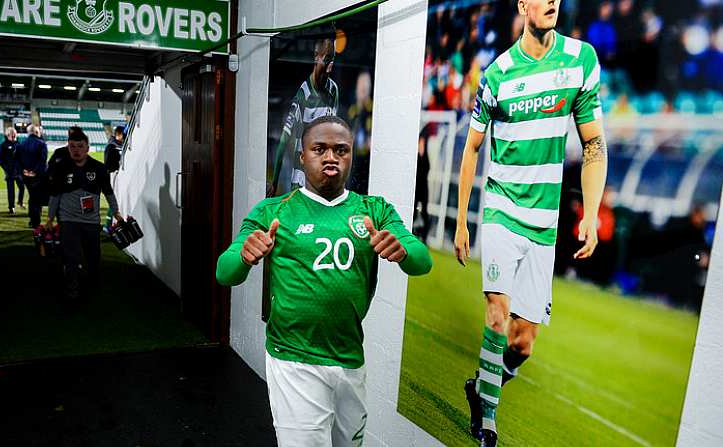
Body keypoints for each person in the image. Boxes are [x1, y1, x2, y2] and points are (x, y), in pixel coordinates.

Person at [217, 116, 432, 446]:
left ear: (350, 157)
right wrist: (244, 256)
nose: (330, 157)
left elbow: (422, 262)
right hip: (294, 359)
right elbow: (224, 272)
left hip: (349, 357)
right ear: (302, 157)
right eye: (319, 149)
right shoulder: (273, 211)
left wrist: (403, 250)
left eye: (340, 150)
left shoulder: (374, 210)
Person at [453, 1, 608, 446]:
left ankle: (481, 387)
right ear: (523, 5)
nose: (552, 2)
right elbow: (471, 150)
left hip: (544, 223)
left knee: (522, 344)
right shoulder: (498, 74)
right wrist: (462, 221)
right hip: (502, 210)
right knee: (498, 317)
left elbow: (594, 145)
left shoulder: (580, 60)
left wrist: (592, 213)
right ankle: (487, 423)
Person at [46, 128, 123, 304]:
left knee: (93, 256)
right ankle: (72, 290)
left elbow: (108, 192)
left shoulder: (99, 168)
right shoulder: (61, 167)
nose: (76, 150)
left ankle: (92, 285)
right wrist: (50, 218)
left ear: (88, 148)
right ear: (68, 147)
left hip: (91, 222)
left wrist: (116, 212)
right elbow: (55, 196)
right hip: (68, 221)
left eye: (80, 146)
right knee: (71, 257)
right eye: (72, 146)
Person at [269, 37, 339, 197]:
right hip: (302, 180)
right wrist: (275, 181)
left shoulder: (333, 90)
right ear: (316, 57)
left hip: (325, 180)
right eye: (327, 59)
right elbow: (284, 138)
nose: (329, 68)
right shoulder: (303, 95)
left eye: (332, 60)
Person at [17, 124, 49, 228]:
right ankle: (35, 220)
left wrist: (24, 171)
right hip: (39, 176)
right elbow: (43, 161)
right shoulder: (41, 144)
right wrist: (35, 171)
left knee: (33, 196)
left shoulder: (20, 145)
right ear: (36, 132)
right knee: (37, 197)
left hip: (26, 177)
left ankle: (33, 220)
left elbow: (16, 161)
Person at [0, 127, 25, 214]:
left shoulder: (19, 144)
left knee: (22, 187)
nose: (13, 136)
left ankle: (20, 201)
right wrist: (5, 168)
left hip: (19, 171)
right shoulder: (3, 145)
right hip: (9, 172)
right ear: (7, 135)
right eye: (12, 134)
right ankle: (11, 207)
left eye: (14, 134)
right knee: (11, 191)